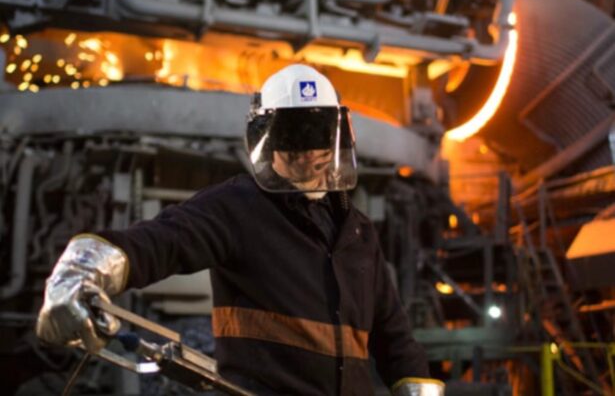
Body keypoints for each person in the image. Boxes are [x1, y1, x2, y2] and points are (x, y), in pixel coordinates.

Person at [36, 64, 444, 395]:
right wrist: (84, 268)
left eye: (318, 134)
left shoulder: (357, 231)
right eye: (294, 136)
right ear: (268, 140)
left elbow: (394, 336)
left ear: (337, 137)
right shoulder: (238, 208)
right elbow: (162, 240)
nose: (309, 152)